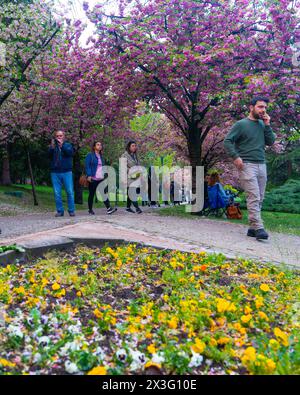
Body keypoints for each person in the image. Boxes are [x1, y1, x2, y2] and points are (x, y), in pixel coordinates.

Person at [224, 96, 276, 240]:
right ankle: (259, 227)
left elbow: (271, 141)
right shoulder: (241, 124)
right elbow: (227, 141)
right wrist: (236, 157)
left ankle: (252, 229)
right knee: (254, 196)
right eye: (260, 107)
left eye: (265, 107)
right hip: (247, 165)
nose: (263, 110)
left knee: (260, 198)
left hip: (261, 164)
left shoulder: (262, 124)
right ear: (251, 107)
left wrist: (267, 125)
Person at [85, 141, 117, 215]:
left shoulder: (101, 156)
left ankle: (109, 209)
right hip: (93, 178)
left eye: (100, 145)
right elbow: (87, 166)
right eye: (98, 145)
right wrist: (89, 175)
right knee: (91, 194)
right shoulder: (90, 155)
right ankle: (90, 210)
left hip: (100, 179)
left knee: (103, 193)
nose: (99, 146)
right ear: (94, 147)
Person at [49, 130, 75, 217]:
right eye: (57, 136)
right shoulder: (53, 146)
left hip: (67, 172)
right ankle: (60, 211)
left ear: (64, 137)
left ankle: (71, 210)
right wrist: (52, 147)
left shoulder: (68, 145)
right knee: (57, 193)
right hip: (55, 172)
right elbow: (48, 156)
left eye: (60, 136)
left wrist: (62, 145)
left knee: (70, 191)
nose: (59, 137)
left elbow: (70, 153)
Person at [121, 140, 142, 214]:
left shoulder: (136, 155)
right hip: (128, 177)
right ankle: (137, 208)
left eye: (135, 146)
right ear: (129, 147)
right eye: (132, 146)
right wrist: (131, 170)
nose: (134, 147)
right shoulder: (124, 155)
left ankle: (128, 207)